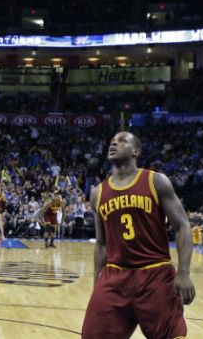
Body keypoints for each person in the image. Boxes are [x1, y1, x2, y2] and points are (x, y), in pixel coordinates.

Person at [82, 131, 195, 339]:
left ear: (136, 151)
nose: (114, 143)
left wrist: (184, 272)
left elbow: (182, 225)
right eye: (112, 141)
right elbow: (101, 244)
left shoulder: (156, 181)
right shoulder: (97, 193)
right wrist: (96, 283)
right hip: (115, 276)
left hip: (155, 273)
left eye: (122, 140)